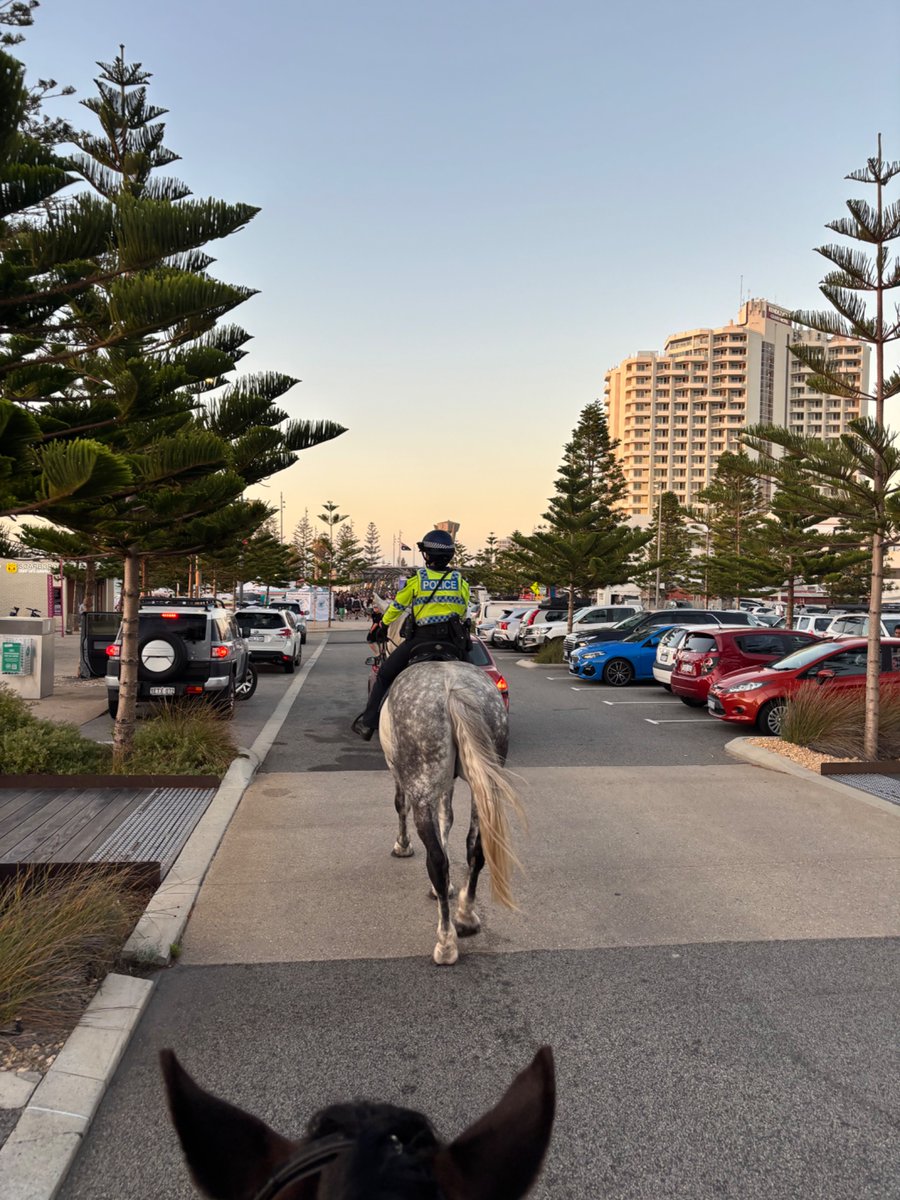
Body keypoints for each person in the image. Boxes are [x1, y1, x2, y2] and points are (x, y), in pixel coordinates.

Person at [351, 530, 471, 740]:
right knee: (476, 678)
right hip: (452, 642)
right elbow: (463, 610)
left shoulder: (418, 580)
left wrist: (383, 624)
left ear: (427, 555)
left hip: (421, 640)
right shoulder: (460, 581)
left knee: (384, 675)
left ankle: (368, 723)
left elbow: (397, 607)